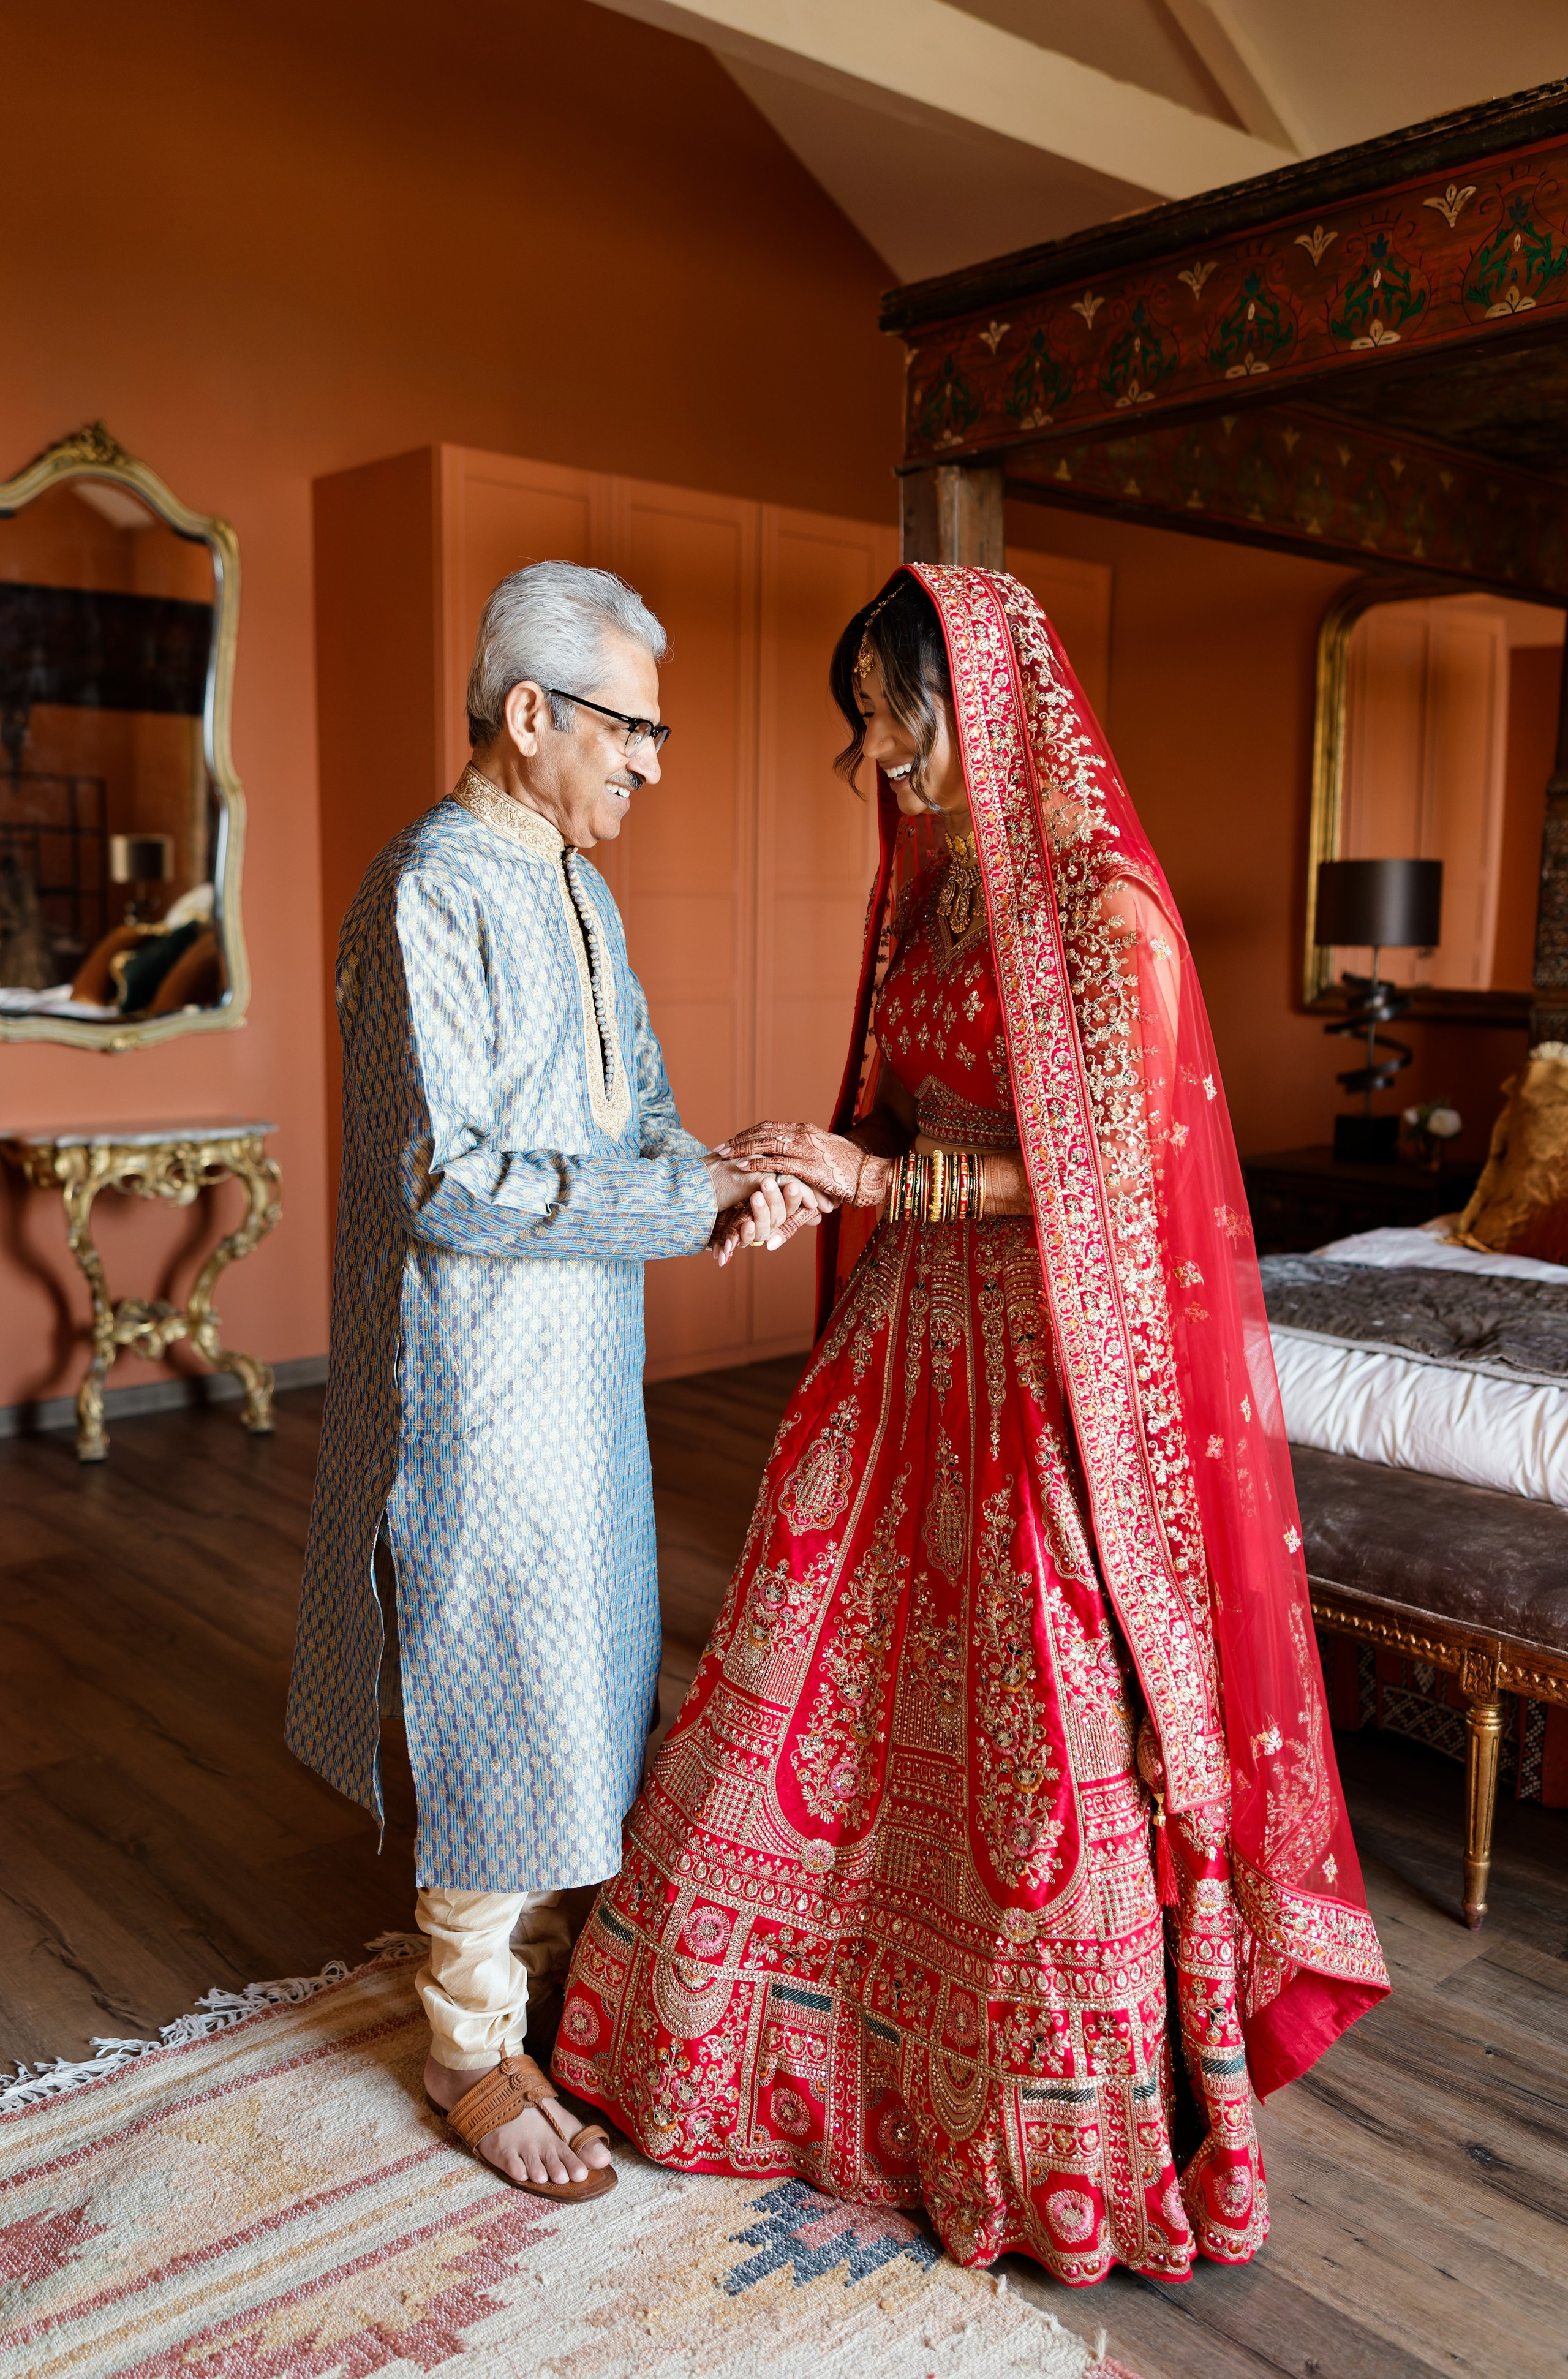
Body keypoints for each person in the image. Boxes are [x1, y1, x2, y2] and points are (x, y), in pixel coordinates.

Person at [552, 564, 1390, 2282]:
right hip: (895, 1349)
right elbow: (891, 1102)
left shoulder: (1108, 915)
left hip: (1039, 1372)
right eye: (863, 719)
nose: (873, 756)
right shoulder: (941, 896)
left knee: (1032, 1738)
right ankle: (740, 2041)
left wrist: (885, 1176)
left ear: (983, 705)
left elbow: (1113, 1181)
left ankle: (1030, 2125)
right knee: (798, 1671)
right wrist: (815, 1162)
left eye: (893, 718)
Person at [287, 560, 817, 2203]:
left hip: (587, 1347)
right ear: (531, 717)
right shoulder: (424, 891)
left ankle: (570, 1934)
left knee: (592, 1636)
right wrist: (684, 1197)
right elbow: (446, 1176)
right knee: (492, 1654)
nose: (651, 763)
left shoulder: (581, 891)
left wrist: (724, 1172)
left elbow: (639, 1106)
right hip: (469, 1364)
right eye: (633, 729)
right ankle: (464, 2037)